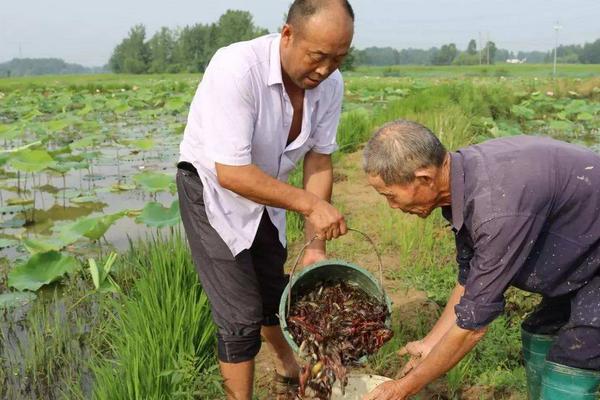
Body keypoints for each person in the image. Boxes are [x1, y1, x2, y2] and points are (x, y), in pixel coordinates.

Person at [176, 1, 354, 399]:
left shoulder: (330, 85)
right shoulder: (237, 68)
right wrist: (309, 206)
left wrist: (315, 246)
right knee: (238, 316)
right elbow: (232, 173)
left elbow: (319, 158)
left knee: (274, 289)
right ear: (287, 35)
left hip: (270, 188)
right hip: (213, 191)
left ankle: (286, 364)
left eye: (339, 58)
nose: (325, 69)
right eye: (318, 56)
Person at [361, 120, 600, 400]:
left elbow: (471, 328)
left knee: (574, 358)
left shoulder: (496, 211)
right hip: (583, 246)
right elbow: (470, 280)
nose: (392, 206)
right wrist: (430, 344)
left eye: (390, 196)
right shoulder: (464, 178)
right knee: (540, 332)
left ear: (424, 178)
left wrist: (403, 388)